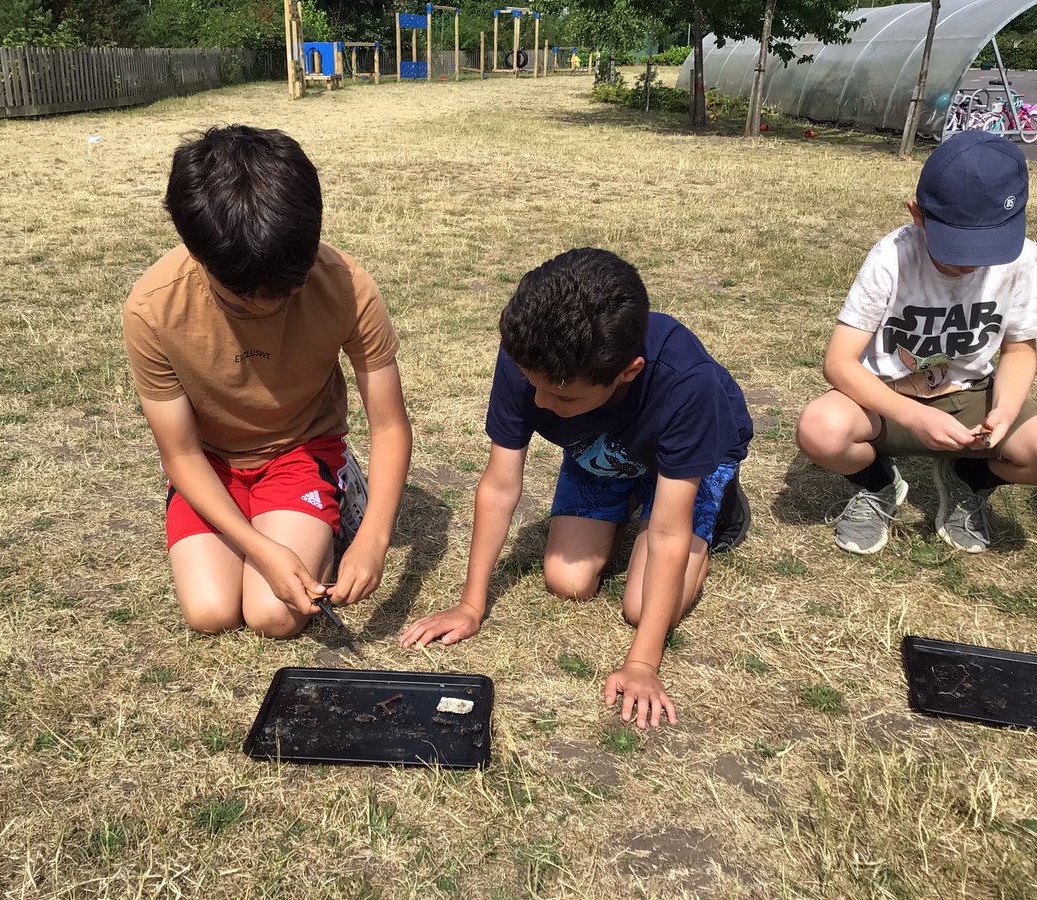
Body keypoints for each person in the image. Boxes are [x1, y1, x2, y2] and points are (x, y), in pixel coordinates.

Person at [399, 248, 753, 730]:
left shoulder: (687, 383)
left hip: (689, 456)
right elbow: (500, 486)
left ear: (629, 370)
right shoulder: (530, 353)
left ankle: (717, 501)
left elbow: (669, 533)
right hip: (603, 448)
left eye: (563, 396)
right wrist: (470, 604)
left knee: (643, 608)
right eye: (534, 385)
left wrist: (642, 664)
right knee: (568, 582)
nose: (541, 401)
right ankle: (630, 494)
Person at [123, 125, 412, 636]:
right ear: (196, 252)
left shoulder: (346, 285)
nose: (268, 308)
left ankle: (339, 485)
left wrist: (374, 538)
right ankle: (274, 522)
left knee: (273, 615)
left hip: (301, 448)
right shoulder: (153, 308)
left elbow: (389, 424)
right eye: (242, 298)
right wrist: (260, 547)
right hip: (209, 463)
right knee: (211, 612)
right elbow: (181, 452)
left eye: (288, 289)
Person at [797, 130, 1037, 555]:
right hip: (885, 399)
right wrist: (915, 416)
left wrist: (1004, 409)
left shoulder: (1023, 259)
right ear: (917, 215)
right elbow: (839, 362)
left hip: (972, 395)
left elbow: (1019, 348)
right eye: (956, 247)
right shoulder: (892, 256)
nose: (971, 262)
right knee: (821, 430)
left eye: (987, 248)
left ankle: (970, 480)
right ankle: (879, 484)